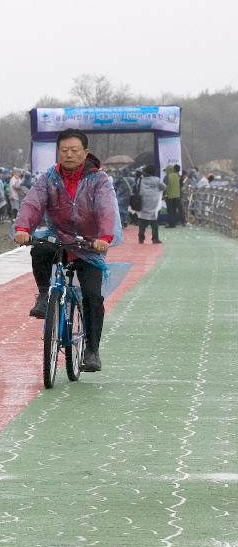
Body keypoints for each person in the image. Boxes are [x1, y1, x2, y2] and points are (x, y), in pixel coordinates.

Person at [12, 128, 116, 371]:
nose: (69, 155)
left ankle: (92, 350)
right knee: (39, 249)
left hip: (89, 243)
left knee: (92, 296)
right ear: (58, 152)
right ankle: (43, 294)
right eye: (64, 150)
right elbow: (32, 203)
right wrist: (22, 228)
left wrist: (104, 237)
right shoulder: (48, 178)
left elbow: (107, 209)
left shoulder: (99, 179)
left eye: (74, 150)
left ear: (85, 152)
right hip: (58, 238)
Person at [133, 163, 165, 244]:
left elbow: (136, 187)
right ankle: (155, 238)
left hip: (143, 203)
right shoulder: (157, 180)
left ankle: (141, 238)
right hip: (153, 204)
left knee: (142, 222)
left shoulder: (142, 180)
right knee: (154, 222)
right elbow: (163, 187)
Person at [163, 163, 183, 228]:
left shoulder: (167, 176)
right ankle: (175, 222)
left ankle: (171, 224)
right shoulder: (177, 176)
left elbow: (166, 186)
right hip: (176, 195)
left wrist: (165, 194)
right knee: (174, 210)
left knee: (170, 210)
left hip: (169, 195)